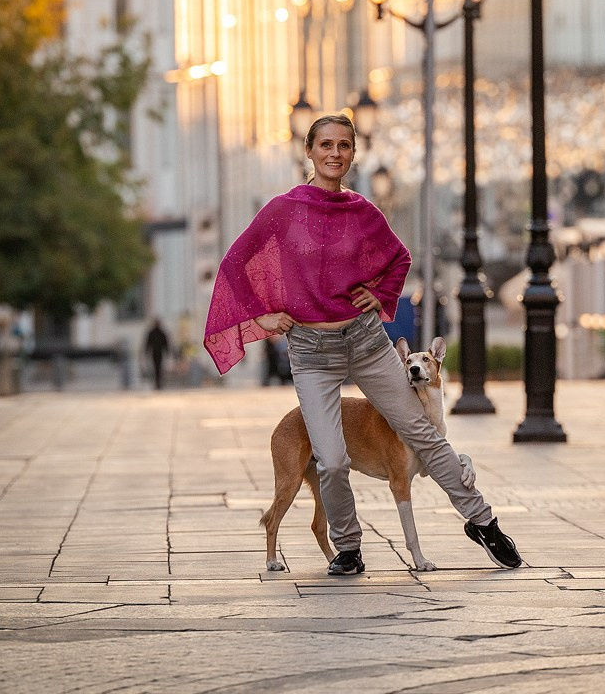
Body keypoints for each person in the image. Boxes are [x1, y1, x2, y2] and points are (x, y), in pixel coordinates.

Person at [203, 113, 522, 576]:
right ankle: (348, 546)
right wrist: (261, 316)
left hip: (367, 342)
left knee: (424, 434)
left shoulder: (362, 211)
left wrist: (381, 293)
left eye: (344, 145)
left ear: (353, 153)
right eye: (326, 145)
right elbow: (236, 263)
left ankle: (483, 521)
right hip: (311, 351)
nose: (335, 153)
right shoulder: (283, 209)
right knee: (332, 461)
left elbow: (399, 258)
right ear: (309, 151)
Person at [144, 318, 171, 390]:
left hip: (159, 353)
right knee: (156, 368)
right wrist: (146, 351)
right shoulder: (152, 333)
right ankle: (157, 383)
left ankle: (158, 383)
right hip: (154, 353)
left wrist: (167, 351)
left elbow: (165, 343)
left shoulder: (161, 333)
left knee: (159, 368)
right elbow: (148, 343)